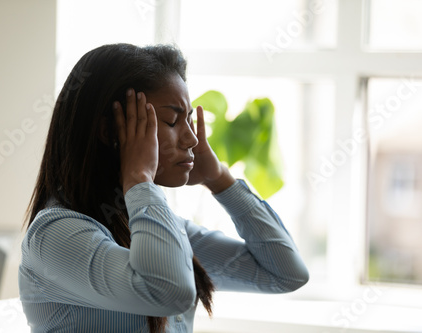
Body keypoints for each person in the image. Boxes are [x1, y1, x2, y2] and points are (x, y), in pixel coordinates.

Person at [18, 43, 309, 333]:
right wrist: (139, 177)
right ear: (110, 132)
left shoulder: (158, 228)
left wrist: (219, 178)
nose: (192, 139)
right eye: (172, 120)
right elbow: (168, 293)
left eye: (190, 120)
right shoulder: (55, 234)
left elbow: (285, 273)